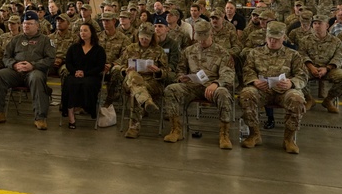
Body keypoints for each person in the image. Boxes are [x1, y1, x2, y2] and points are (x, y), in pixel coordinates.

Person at [163, 20, 236, 149]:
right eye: (199, 38)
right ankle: (176, 129)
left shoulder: (222, 52)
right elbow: (180, 69)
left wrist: (216, 83)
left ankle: (224, 134)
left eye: (204, 38)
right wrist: (181, 77)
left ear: (211, 34)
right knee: (171, 89)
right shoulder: (189, 51)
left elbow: (228, 74)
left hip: (212, 86)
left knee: (224, 93)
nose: (201, 41)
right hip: (192, 85)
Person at [239, 21, 307, 154]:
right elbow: (248, 70)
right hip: (262, 90)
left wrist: (291, 83)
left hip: (284, 91)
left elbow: (303, 76)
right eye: (270, 38)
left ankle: (289, 139)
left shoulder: (293, 55)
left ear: (283, 38)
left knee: (297, 99)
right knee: (246, 94)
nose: (272, 41)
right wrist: (254, 81)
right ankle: (254, 134)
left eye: (276, 39)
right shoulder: (255, 53)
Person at [0, 11, 56, 130]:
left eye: (29, 23)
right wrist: (14, 65)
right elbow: (6, 57)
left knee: (36, 78)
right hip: (16, 72)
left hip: (35, 71)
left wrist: (33, 65)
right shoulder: (16, 39)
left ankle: (40, 117)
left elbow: (50, 59)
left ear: (37, 25)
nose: (26, 26)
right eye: (24, 23)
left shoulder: (46, 40)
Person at [118, 23, 169, 139]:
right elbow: (120, 65)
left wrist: (158, 71)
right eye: (141, 37)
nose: (144, 39)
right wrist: (125, 70)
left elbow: (166, 71)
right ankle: (146, 101)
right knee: (133, 76)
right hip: (131, 78)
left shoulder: (159, 51)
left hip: (151, 81)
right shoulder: (130, 48)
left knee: (135, 90)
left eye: (147, 37)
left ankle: (134, 128)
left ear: (152, 37)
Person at [298, 15, 342, 113]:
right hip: (310, 68)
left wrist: (327, 68)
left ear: (326, 25)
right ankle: (309, 99)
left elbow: (339, 56)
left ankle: (329, 100)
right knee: (297, 76)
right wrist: (311, 67)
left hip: (329, 69)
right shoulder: (305, 40)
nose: (317, 26)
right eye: (315, 23)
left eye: (320, 23)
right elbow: (301, 54)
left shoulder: (336, 41)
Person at [60, 23, 106, 128]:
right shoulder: (74, 48)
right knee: (70, 83)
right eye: (81, 31)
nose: (82, 33)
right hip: (74, 74)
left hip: (91, 75)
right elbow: (68, 63)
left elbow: (99, 66)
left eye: (85, 30)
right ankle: (70, 114)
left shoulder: (99, 50)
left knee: (87, 84)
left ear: (91, 33)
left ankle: (86, 107)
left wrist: (85, 73)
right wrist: (75, 72)